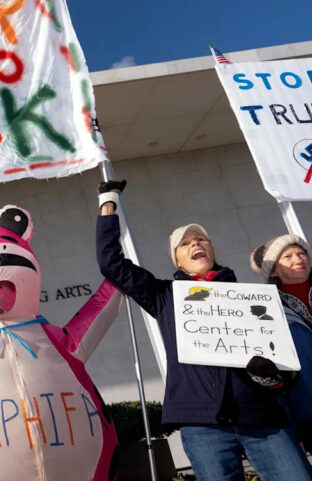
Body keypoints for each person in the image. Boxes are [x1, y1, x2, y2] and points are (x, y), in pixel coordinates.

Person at [96, 180, 312, 481]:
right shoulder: (164, 296)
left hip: (263, 419)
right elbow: (112, 264)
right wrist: (108, 204)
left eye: (201, 239)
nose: (195, 244)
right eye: (185, 243)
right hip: (202, 424)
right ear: (177, 259)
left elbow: (284, 368)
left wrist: (271, 375)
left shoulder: (252, 299)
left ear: (212, 249)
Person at [250, 234, 312, 451]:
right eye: (288, 256)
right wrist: (295, 430)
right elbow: (277, 380)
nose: (298, 258)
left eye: (302, 253)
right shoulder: (270, 315)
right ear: (274, 270)